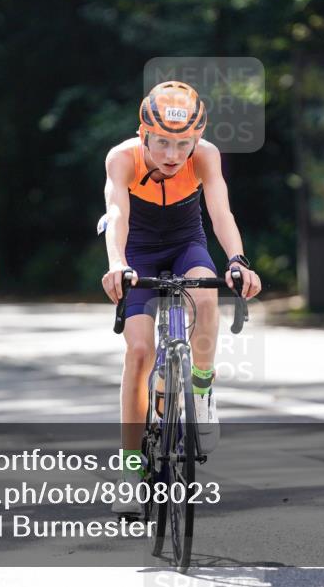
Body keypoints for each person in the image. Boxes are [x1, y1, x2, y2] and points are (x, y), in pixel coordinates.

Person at [100, 81, 261, 516]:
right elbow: (116, 212)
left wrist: (238, 261)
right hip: (139, 250)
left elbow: (220, 212)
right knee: (138, 351)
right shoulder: (123, 158)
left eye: (183, 144)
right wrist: (117, 263)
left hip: (187, 241)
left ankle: (203, 389)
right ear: (144, 134)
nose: (173, 155)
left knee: (206, 299)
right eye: (163, 143)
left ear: (196, 139)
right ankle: (130, 470)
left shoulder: (205, 156)